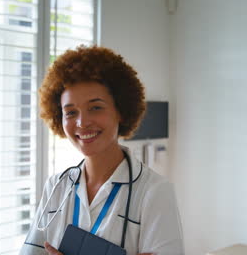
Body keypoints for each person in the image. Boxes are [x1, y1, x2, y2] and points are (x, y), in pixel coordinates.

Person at [19, 46, 184, 255]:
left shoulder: (154, 192)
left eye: (95, 107)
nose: (82, 122)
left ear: (121, 112)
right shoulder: (56, 187)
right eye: (70, 112)